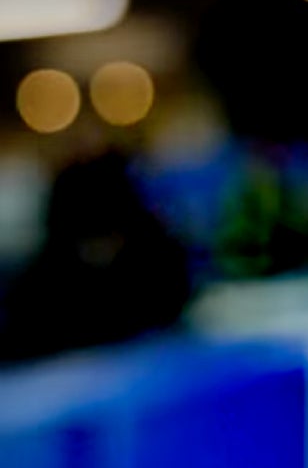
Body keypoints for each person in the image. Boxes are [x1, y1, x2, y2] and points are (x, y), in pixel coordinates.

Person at [0, 148, 193, 366]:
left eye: (109, 240)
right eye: (90, 244)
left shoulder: (159, 266)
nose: (101, 251)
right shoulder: (38, 295)